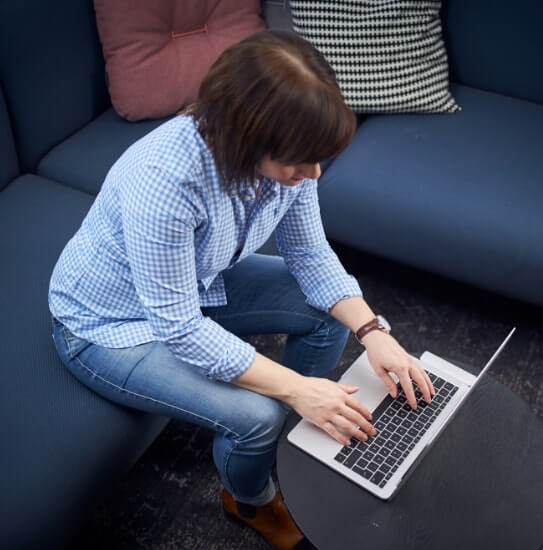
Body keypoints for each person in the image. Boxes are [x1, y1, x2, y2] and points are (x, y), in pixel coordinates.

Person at [49, 30, 434, 550]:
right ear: (244, 138)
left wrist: (372, 331)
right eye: (301, 162)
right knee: (258, 416)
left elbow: (310, 256)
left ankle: (299, 428)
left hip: (200, 281)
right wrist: (294, 390)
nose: (313, 173)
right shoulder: (164, 182)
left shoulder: (290, 155)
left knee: (328, 315)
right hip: (109, 327)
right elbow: (180, 328)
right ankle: (247, 498)